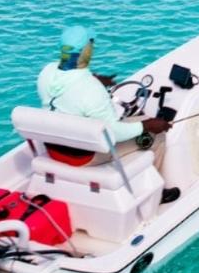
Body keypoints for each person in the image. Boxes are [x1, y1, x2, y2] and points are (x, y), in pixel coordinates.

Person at [36, 25, 179, 204]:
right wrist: (148, 125)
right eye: (91, 43)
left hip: (54, 149)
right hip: (85, 157)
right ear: (86, 50)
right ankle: (157, 194)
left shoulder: (46, 72)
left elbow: (69, 84)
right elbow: (114, 133)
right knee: (157, 135)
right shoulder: (91, 90)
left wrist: (95, 79)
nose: (93, 46)